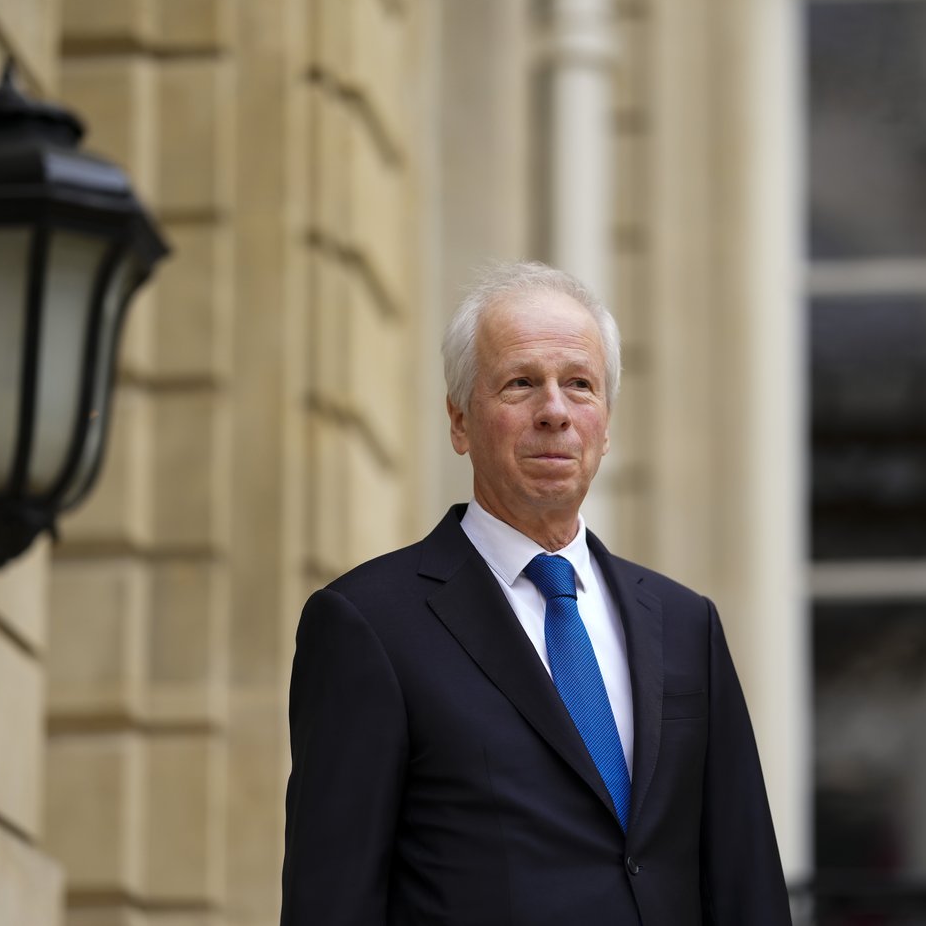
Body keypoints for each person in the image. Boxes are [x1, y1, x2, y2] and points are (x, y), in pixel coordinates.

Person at [281, 261, 791, 925]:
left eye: (579, 384)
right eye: (521, 383)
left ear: (606, 424)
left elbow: (747, 883)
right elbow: (331, 902)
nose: (555, 411)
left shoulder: (686, 623)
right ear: (460, 421)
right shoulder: (367, 625)